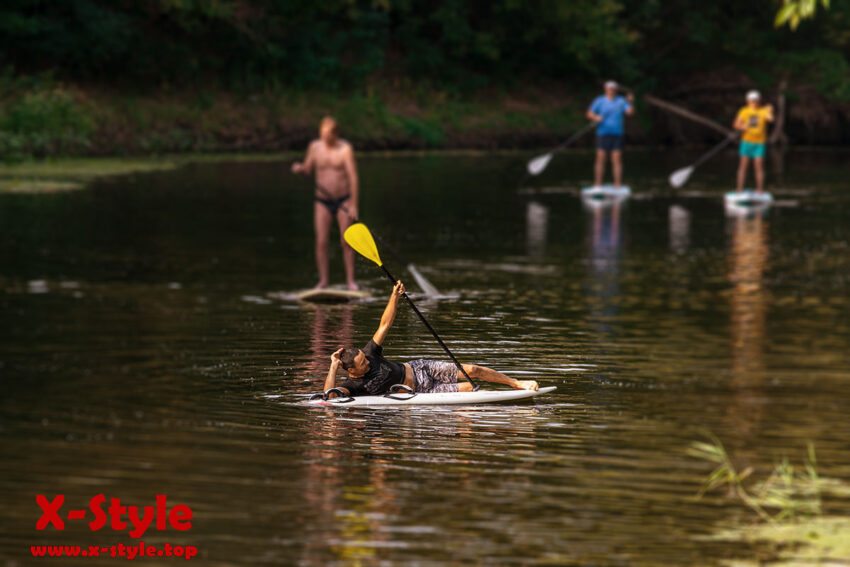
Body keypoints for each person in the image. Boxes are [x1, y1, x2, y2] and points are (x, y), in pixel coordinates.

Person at [322, 281, 539, 397]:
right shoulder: (353, 385)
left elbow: (385, 324)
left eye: (365, 358)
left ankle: (516, 383)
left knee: (471, 371)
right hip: (423, 392)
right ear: (352, 371)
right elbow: (328, 397)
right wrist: (332, 367)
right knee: (470, 390)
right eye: (363, 364)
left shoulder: (369, 352)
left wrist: (394, 296)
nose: (368, 361)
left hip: (421, 368)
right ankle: (503, 400)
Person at [292, 116, 359, 290]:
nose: (325, 138)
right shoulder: (315, 147)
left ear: (336, 134)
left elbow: (353, 177)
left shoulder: (345, 149)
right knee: (321, 241)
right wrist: (300, 168)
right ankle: (323, 281)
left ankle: (350, 281)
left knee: (346, 240)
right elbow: (308, 169)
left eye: (328, 135)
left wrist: (353, 204)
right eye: (322, 134)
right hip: (322, 201)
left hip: (343, 200)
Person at [586, 81, 634, 189]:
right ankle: (597, 185)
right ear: (605, 89)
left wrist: (630, 102)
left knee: (616, 159)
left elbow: (629, 113)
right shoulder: (600, 100)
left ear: (616, 90)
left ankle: (617, 185)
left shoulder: (621, 101)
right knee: (600, 158)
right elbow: (589, 113)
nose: (611, 90)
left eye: (613, 89)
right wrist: (596, 117)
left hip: (617, 134)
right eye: (610, 88)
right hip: (602, 134)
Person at [733, 91, 774, 194]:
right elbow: (736, 124)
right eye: (751, 100)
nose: (753, 102)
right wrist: (743, 126)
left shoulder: (763, 110)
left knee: (759, 167)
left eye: (755, 100)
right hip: (746, 142)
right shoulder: (744, 111)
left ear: (759, 100)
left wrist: (770, 111)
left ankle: (760, 191)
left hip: (759, 143)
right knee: (743, 166)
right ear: (748, 101)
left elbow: (770, 119)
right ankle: (739, 190)